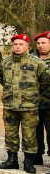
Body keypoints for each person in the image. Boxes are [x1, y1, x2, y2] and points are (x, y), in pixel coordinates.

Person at [0, 34, 50, 174]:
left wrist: (32, 95)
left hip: (29, 106)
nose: (17, 47)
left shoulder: (37, 63)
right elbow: (1, 78)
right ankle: (12, 159)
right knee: (11, 133)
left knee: (29, 134)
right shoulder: (5, 62)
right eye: (15, 44)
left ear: (27, 46)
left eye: (21, 44)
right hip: (10, 105)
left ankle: (28, 161)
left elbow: (45, 83)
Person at [34, 31, 50, 165]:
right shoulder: (30, 59)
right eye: (38, 43)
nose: (40, 46)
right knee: (34, 131)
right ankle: (37, 155)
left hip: (49, 103)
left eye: (43, 43)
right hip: (33, 103)